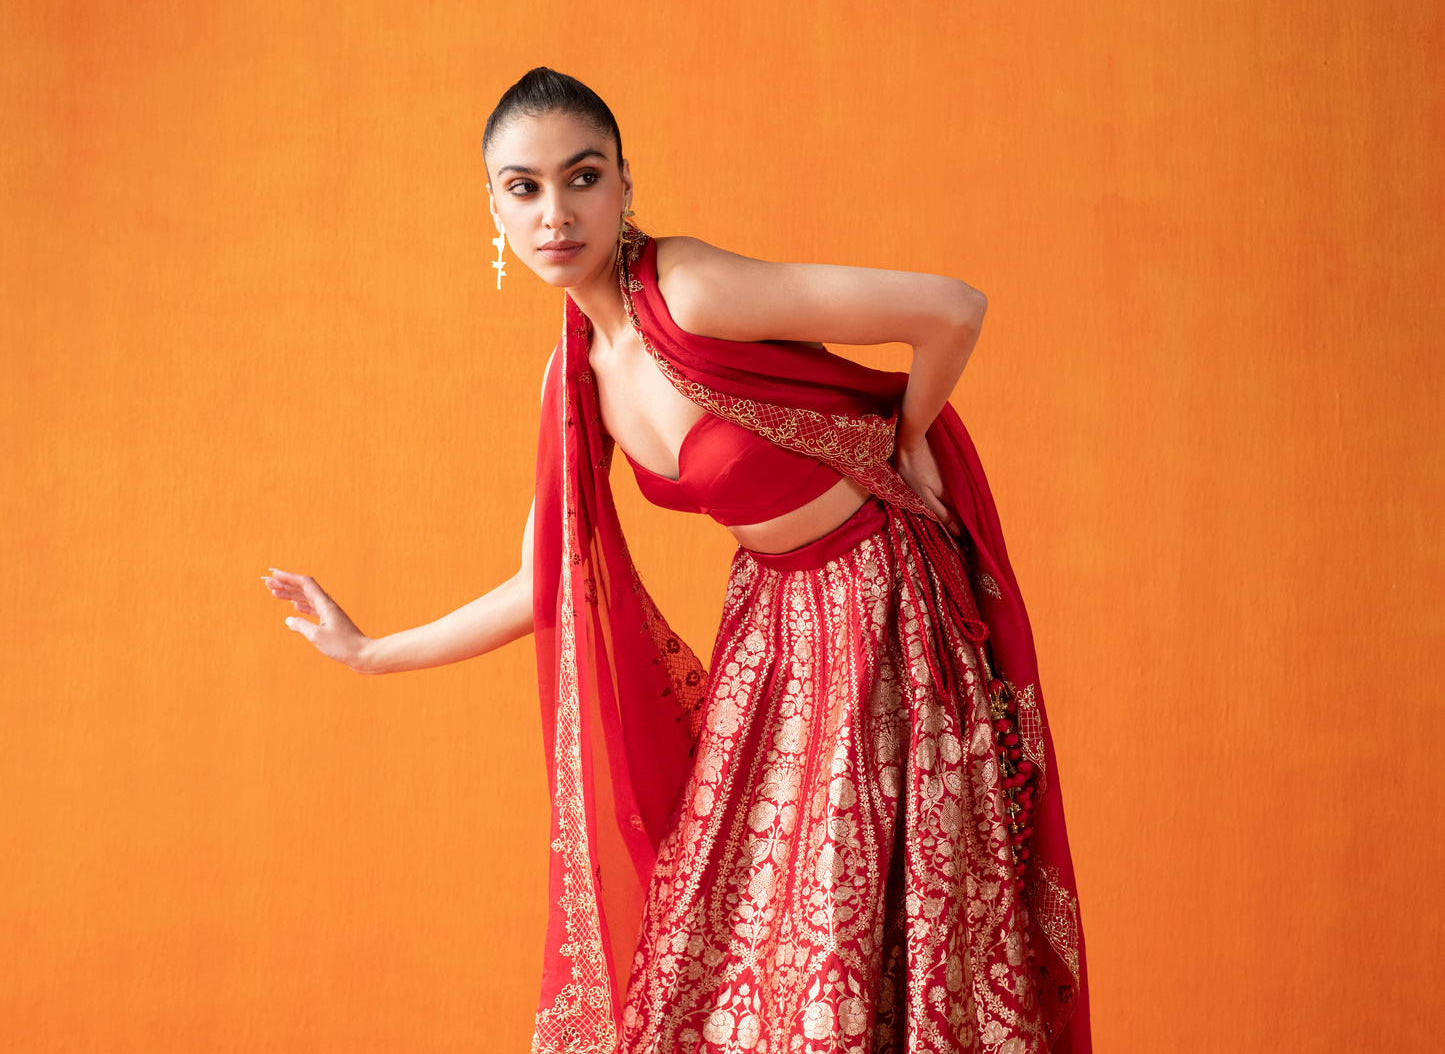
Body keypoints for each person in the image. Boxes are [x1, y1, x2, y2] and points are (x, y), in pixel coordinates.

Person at [263, 67, 1089, 1054]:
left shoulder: (689, 289)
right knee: (720, 925)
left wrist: (904, 439)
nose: (554, 211)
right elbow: (546, 583)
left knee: (843, 929)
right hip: (772, 625)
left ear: (622, 185)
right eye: (522, 187)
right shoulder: (572, 375)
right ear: (491, 207)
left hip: (879, 602)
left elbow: (951, 308)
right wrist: (367, 651)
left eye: (582, 177)